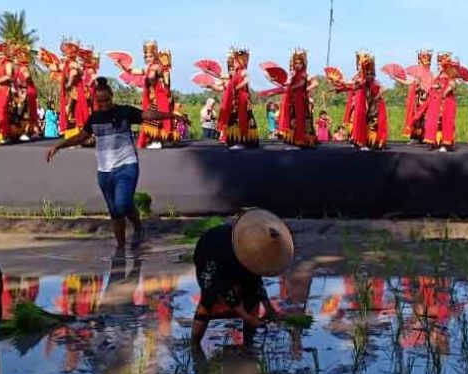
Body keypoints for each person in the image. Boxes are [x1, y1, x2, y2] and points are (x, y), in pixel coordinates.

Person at [46, 77, 189, 250]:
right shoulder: (94, 118)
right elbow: (82, 136)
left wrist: (172, 116)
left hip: (126, 165)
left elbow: (147, 115)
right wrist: (58, 145)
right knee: (115, 212)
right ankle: (120, 248)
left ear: (112, 96)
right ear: (95, 100)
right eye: (100, 101)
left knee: (122, 204)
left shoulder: (124, 112)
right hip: (104, 171)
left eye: (106, 99)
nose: (104, 104)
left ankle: (137, 226)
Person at [191, 208, 293, 346]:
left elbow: (256, 282)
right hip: (210, 255)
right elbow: (224, 288)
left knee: (251, 294)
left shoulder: (257, 255)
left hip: (235, 258)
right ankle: (195, 345)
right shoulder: (222, 256)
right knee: (209, 298)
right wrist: (245, 315)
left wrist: (269, 309)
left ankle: (248, 344)